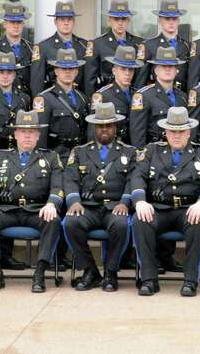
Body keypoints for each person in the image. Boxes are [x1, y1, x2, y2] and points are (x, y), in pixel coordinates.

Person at [129, 106, 200, 297]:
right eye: (173, 131)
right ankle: (149, 280)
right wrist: (139, 201)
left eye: (181, 131)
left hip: (189, 209)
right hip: (159, 208)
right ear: (166, 132)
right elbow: (137, 176)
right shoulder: (150, 150)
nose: (177, 135)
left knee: (199, 222)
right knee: (140, 221)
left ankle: (190, 281)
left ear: (189, 132)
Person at [0, 110, 65, 293]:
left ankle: (40, 273)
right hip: (7, 209)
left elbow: (58, 187)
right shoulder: (0, 156)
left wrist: (51, 204)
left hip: (36, 210)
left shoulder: (50, 157)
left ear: (38, 135)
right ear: (15, 134)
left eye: (32, 131)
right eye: (23, 131)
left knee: (54, 220)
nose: (27, 135)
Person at [62, 102, 135, 292]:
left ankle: (111, 272)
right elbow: (70, 179)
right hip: (88, 207)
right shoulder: (79, 152)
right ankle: (90, 270)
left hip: (115, 206)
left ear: (115, 127)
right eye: (101, 125)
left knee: (121, 224)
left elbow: (133, 180)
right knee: (70, 223)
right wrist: (74, 201)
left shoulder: (129, 152)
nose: (105, 129)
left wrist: (125, 202)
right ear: (95, 127)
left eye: (109, 125)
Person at [31, 1, 97, 97]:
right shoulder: (43, 47)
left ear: (74, 21)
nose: (66, 23)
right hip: (54, 99)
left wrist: (89, 102)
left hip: (79, 99)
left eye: (69, 19)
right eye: (62, 19)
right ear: (55, 22)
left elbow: (89, 79)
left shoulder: (84, 45)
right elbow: (37, 82)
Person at [130, 45, 188, 148]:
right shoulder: (143, 96)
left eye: (171, 66)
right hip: (154, 153)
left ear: (176, 71)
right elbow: (137, 134)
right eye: (163, 66)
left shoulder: (183, 97)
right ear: (156, 70)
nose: (167, 69)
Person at [34, 48, 89, 152]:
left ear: (76, 71)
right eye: (63, 68)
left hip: (78, 154)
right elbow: (40, 134)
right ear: (56, 71)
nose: (68, 72)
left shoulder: (82, 98)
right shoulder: (45, 98)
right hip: (56, 153)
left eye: (71, 68)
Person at [90, 0, 148, 91]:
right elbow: (90, 78)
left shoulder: (139, 44)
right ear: (109, 20)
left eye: (124, 19)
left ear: (128, 20)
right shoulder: (97, 44)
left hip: (133, 94)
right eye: (116, 19)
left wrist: (137, 96)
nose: (120, 23)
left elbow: (142, 75)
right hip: (107, 96)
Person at [0, 1, 34, 95]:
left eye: (19, 22)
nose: (16, 26)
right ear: (4, 24)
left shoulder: (31, 49)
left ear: (23, 24)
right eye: (12, 22)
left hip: (24, 101)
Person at [90, 45, 141, 144]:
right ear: (114, 70)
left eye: (131, 69)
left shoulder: (138, 94)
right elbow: (94, 131)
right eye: (123, 68)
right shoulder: (102, 96)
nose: (127, 73)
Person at [142, 0, 193, 94]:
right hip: (157, 97)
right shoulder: (149, 45)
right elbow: (141, 79)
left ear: (178, 21)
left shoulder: (187, 46)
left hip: (181, 97)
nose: (171, 22)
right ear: (160, 20)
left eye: (174, 18)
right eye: (167, 18)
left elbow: (191, 77)